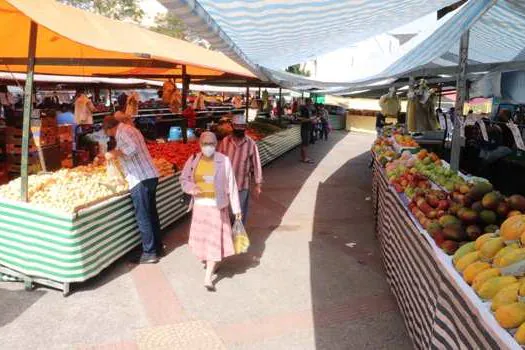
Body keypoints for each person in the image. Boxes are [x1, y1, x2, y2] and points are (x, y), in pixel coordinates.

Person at [180, 132, 241, 291]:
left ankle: (208, 277)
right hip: (200, 207)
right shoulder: (193, 159)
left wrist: (236, 209)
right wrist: (192, 188)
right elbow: (184, 179)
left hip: (216, 207)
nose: (209, 146)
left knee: (213, 239)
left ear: (217, 144)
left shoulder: (224, 160)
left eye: (212, 143)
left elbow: (232, 185)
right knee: (204, 240)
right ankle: (213, 262)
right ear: (200, 144)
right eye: (205, 143)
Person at [103, 116, 163, 264]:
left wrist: (114, 153)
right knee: (151, 214)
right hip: (150, 175)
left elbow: (132, 149)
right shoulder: (131, 129)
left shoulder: (122, 132)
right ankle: (157, 247)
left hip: (140, 178)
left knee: (143, 216)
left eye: (106, 132)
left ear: (109, 128)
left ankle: (149, 253)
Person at [218, 114, 263, 226]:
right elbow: (218, 161)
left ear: (245, 127)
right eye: (237, 126)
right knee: (226, 212)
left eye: (241, 126)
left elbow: (256, 164)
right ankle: (227, 236)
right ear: (232, 126)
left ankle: (237, 238)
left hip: (242, 185)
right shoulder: (225, 141)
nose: (239, 129)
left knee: (239, 213)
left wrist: (258, 184)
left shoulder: (251, 143)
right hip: (225, 185)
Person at [299, 98, 315, 163]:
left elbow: (308, 118)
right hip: (305, 128)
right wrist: (311, 119)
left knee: (305, 144)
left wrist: (313, 120)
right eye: (310, 102)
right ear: (307, 102)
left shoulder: (309, 109)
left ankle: (304, 157)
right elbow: (302, 120)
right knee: (305, 144)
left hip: (308, 128)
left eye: (312, 102)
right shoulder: (304, 109)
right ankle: (304, 158)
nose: (311, 103)